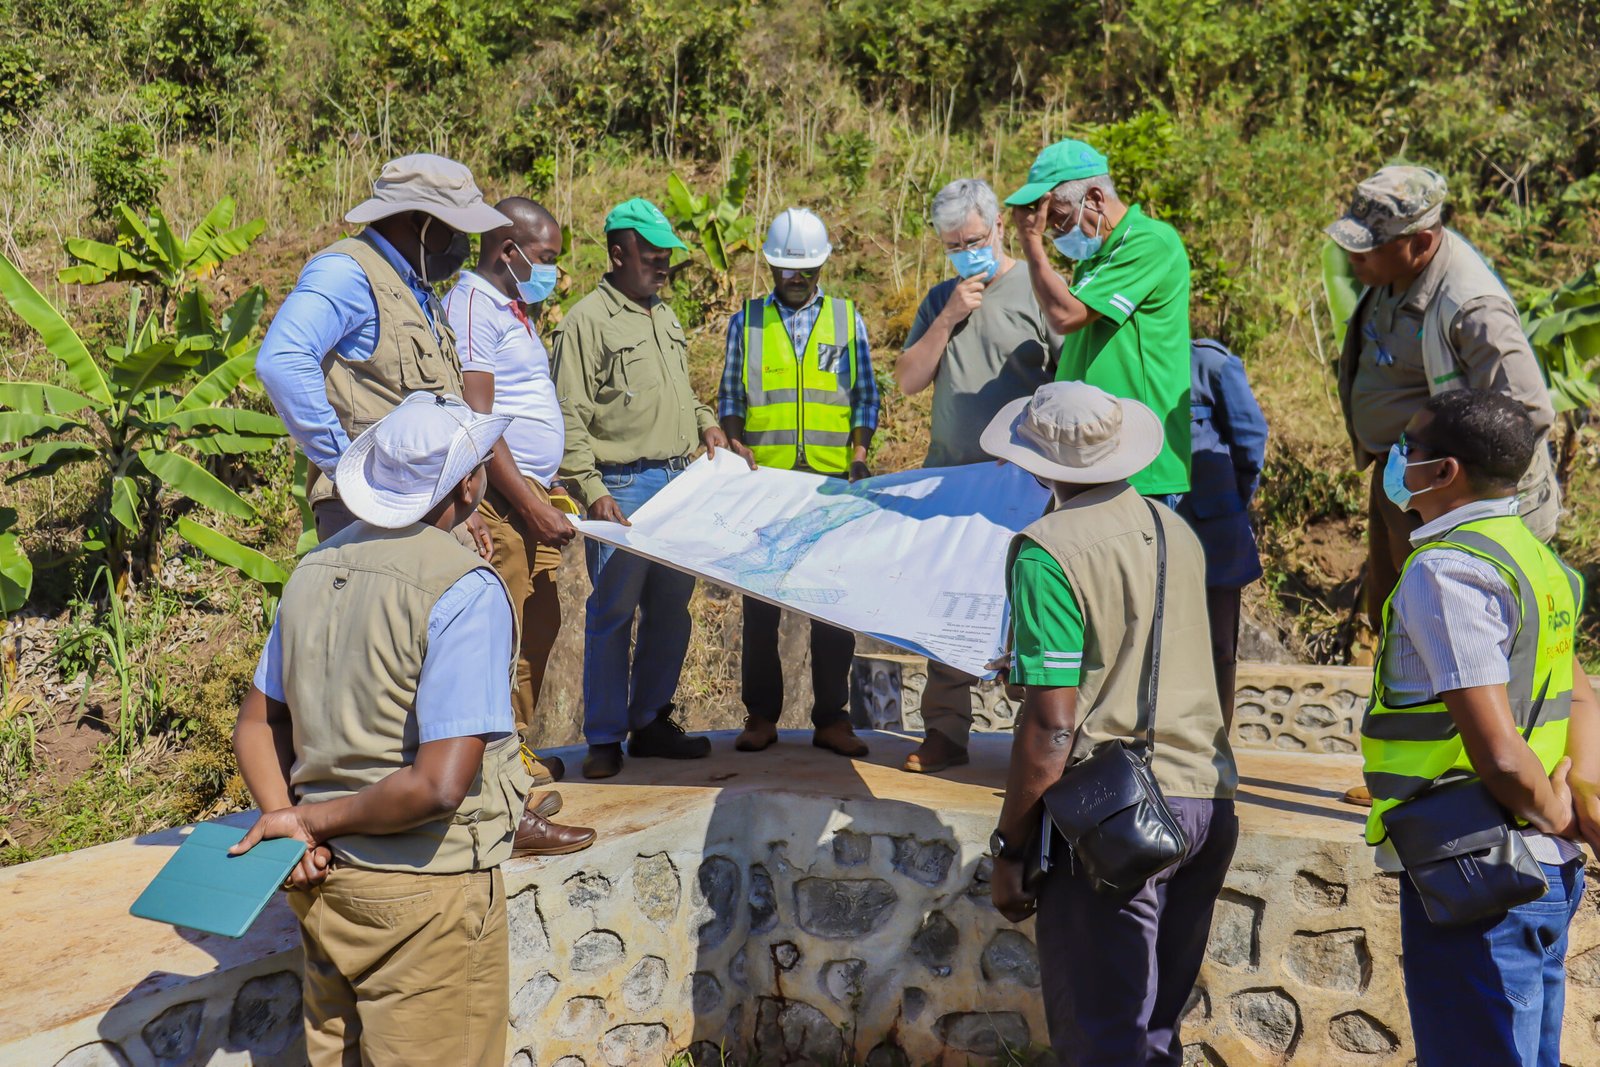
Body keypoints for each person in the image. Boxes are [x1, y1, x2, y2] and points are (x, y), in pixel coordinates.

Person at [228, 393, 594, 1067]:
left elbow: (256, 723)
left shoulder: (311, 570)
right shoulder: (463, 588)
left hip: (326, 887)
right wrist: (312, 823)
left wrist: (288, 816)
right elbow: (439, 783)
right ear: (468, 486)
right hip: (425, 892)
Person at [985, 382, 1238, 1066]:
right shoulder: (1175, 530)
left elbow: (1052, 726)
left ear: (1040, 464)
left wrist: (1010, 847)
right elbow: (1212, 652)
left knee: (1101, 1040)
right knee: (1153, 1036)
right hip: (1206, 802)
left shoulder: (1047, 549)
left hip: (1114, 826)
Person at [1358, 389, 1600, 1066]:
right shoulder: (1534, 558)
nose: (1396, 455)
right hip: (1542, 871)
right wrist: (1584, 794)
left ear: (1444, 472)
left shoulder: (1447, 571)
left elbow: (1494, 749)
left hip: (1480, 871)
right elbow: (1580, 693)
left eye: (1410, 442)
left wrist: (1551, 807)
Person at [553, 197, 746, 779]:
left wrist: (707, 421)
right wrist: (590, 489)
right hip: (623, 487)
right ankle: (606, 738)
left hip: (677, 481)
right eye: (652, 255)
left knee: (671, 611)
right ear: (617, 254)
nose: (664, 265)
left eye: (667, 256)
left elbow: (679, 393)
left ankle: (651, 722)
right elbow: (567, 415)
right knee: (612, 611)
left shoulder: (664, 315)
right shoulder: (585, 322)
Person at [1329, 164, 1559, 635]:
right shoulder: (1392, 275)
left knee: (1442, 631)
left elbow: (1527, 412)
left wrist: (1455, 495)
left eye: (1370, 244)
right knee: (1396, 621)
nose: (1353, 253)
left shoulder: (1472, 307)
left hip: (1447, 499)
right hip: (1404, 478)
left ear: (1421, 242)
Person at [256, 153, 509, 550]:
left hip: (424, 510)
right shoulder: (347, 272)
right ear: (417, 221)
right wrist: (348, 470)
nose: (463, 242)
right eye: (454, 228)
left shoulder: (415, 287)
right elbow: (282, 360)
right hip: (373, 514)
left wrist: (463, 506)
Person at [896, 177, 1059, 775]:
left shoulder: (1039, 292)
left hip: (1026, 486)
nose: (965, 252)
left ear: (995, 227)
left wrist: (1033, 452)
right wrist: (947, 318)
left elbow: (1070, 381)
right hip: (952, 483)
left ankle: (1036, 731)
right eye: (952, 245)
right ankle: (945, 730)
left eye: (972, 239)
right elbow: (908, 379)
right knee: (947, 602)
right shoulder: (943, 296)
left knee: (1030, 608)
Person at [717, 207, 877, 759]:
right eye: (786, 268)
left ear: (821, 265)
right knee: (762, 602)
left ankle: (832, 718)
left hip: (832, 480)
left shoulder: (845, 317)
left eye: (805, 268)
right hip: (768, 480)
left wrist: (858, 456)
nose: (796, 277)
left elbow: (865, 396)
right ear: (771, 266)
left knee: (832, 601)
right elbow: (732, 398)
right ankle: (761, 716)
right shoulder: (749, 320)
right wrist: (737, 447)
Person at [444, 197, 584, 806]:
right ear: (509, 251)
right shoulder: (472, 307)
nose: (552, 271)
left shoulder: (513, 307)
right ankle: (495, 768)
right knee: (499, 632)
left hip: (533, 495)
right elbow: (480, 423)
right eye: (545, 258)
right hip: (503, 503)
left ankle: (516, 740)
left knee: (538, 623)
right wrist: (528, 506)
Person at [1006, 139, 1194, 502]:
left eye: (1058, 220)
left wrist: (1030, 242)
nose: (1055, 234)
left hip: (1137, 467)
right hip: (1090, 459)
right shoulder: (1093, 261)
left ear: (1093, 198)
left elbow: (1064, 316)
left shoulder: (1149, 242)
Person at [1174, 339, 1269, 718]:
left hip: (1213, 534)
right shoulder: (1121, 359)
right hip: (1146, 532)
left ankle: (1216, 751)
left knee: (1218, 648)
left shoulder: (1209, 363)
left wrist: (1229, 503)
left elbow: (1250, 439)